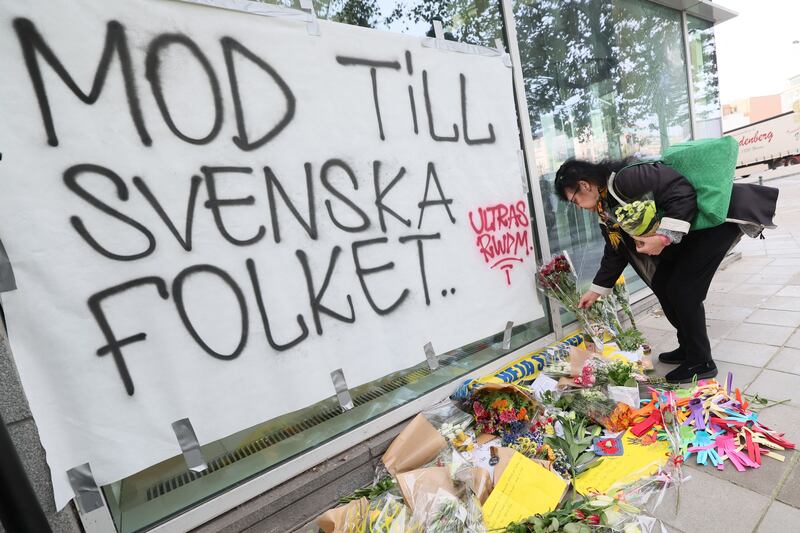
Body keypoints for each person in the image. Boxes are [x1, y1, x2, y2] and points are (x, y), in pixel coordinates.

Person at [554, 158, 778, 383]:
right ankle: (688, 347)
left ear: (584, 185)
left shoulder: (626, 179)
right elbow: (615, 250)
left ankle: (702, 362)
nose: (579, 207)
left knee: (684, 290)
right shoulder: (605, 207)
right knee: (662, 282)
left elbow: (682, 194)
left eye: (575, 201)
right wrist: (596, 291)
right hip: (690, 231)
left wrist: (663, 237)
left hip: (713, 225)